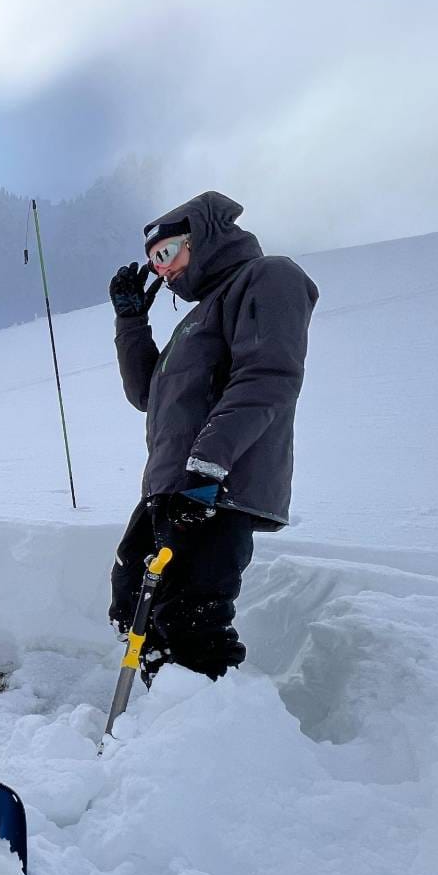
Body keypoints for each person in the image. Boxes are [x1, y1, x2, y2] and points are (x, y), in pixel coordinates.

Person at [106, 191, 317, 683]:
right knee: (132, 603)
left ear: (203, 238)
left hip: (217, 484)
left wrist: (207, 466)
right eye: (153, 262)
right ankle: (169, 717)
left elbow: (268, 377)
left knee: (189, 618)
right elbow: (146, 393)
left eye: (168, 252)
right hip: (172, 484)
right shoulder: (195, 319)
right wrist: (132, 321)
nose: (163, 270)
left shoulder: (267, 277)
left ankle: (217, 735)